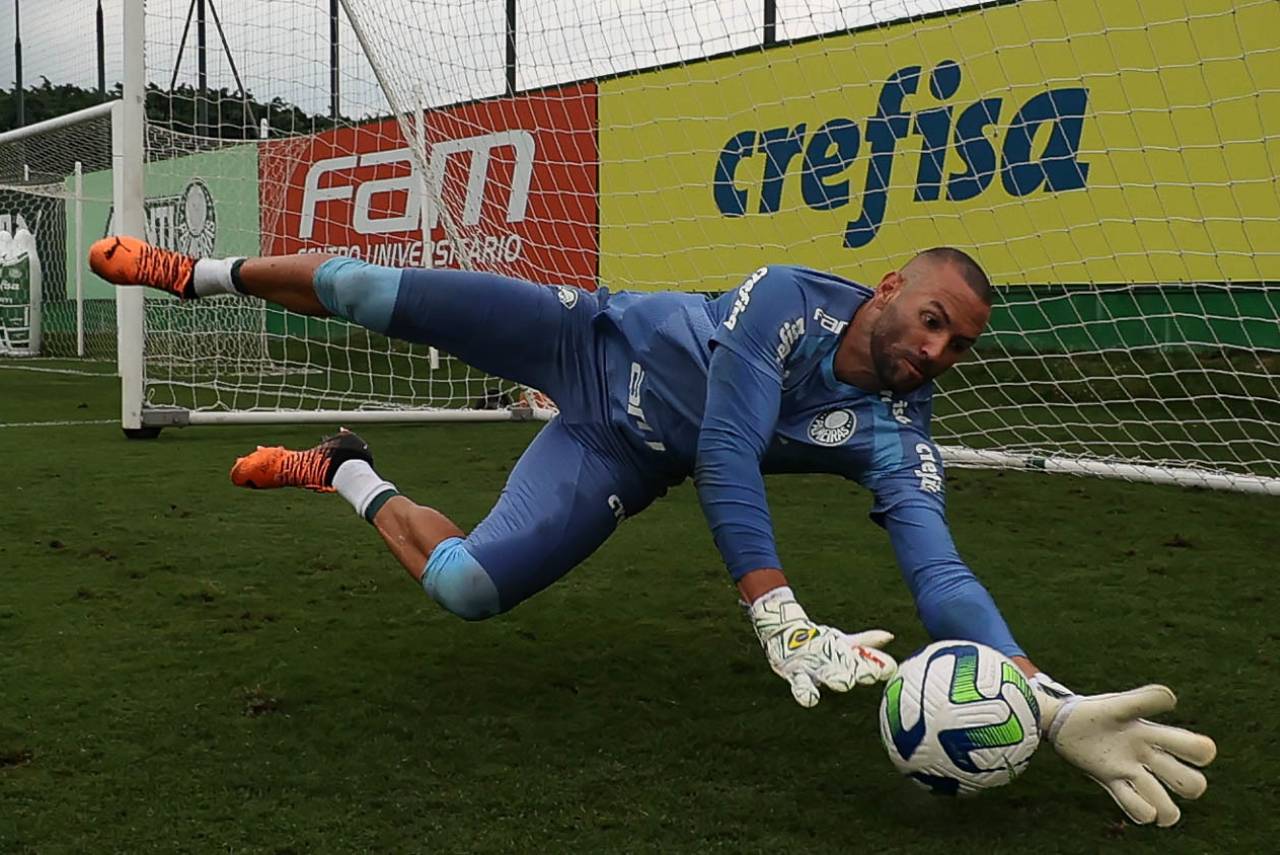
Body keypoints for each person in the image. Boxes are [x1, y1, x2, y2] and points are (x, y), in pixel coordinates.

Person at [89, 235, 1215, 826]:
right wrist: (775, 612)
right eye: (931, 320)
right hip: (579, 339)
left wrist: (1046, 700)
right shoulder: (785, 296)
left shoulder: (894, 434)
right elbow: (730, 443)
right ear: (886, 292)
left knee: (467, 591)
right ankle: (197, 273)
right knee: (368, 289)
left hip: (620, 454)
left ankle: (340, 468)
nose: (935, 351)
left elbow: (939, 574)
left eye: (958, 344)